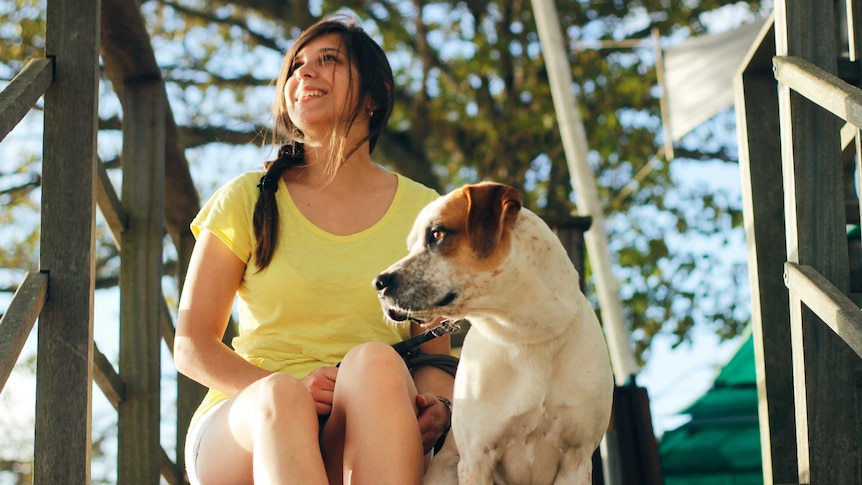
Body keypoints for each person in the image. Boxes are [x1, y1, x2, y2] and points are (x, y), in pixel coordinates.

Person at [173, 14, 456, 485]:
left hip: (367, 425)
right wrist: (293, 389)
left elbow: (433, 356)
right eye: (296, 65)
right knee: (281, 398)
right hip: (247, 425)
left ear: (376, 94)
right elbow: (192, 345)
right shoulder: (246, 197)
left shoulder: (424, 211)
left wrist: (440, 407)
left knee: (377, 361)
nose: (304, 72)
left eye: (329, 61)